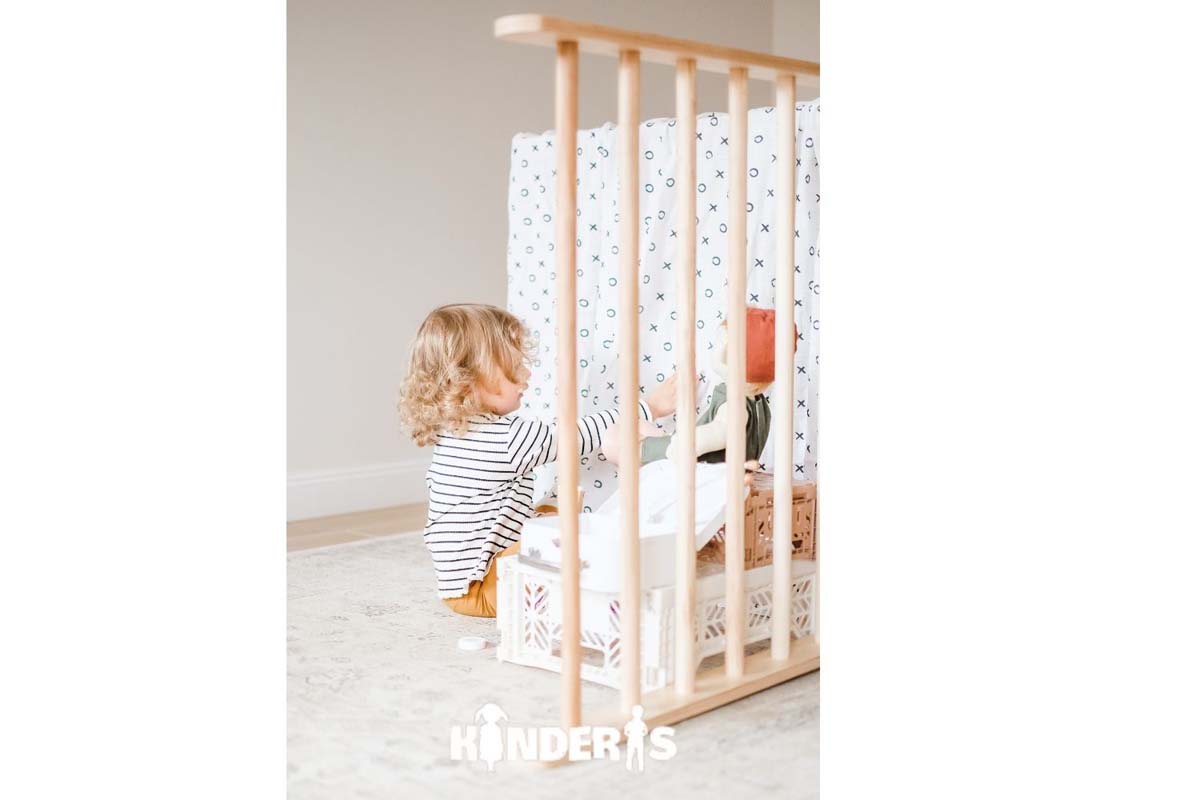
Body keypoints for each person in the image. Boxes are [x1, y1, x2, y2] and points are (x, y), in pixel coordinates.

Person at [397, 303, 676, 617]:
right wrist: (649, 407)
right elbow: (576, 435)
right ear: (468, 382)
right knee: (572, 542)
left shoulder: (455, 434)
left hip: (460, 585)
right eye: (515, 367)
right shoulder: (505, 439)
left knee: (552, 510)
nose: (526, 377)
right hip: (487, 585)